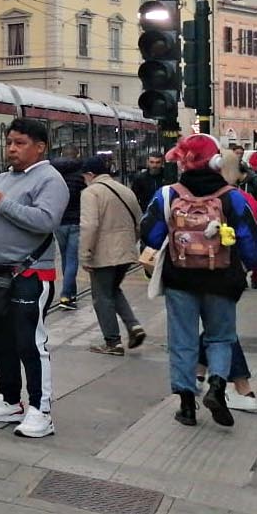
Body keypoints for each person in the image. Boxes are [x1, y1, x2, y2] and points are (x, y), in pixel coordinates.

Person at [139, 133, 257, 427]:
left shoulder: (168, 194)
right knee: (221, 336)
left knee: (183, 340)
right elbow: (249, 240)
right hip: (222, 279)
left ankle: (187, 404)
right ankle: (217, 384)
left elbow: (150, 235)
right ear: (217, 160)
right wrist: (251, 268)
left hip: (180, 279)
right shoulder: (233, 197)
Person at [0, 118, 68, 439]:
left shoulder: (51, 180)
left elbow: (44, 220)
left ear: (40, 147)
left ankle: (41, 410)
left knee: (29, 342)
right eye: (9, 142)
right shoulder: (1, 178)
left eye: (20, 142)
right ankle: (10, 400)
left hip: (30, 274)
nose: (12, 148)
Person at [77, 154, 146, 355]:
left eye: (84, 177)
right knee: (113, 290)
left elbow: (90, 225)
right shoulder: (125, 190)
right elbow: (139, 220)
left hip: (103, 254)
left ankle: (112, 341)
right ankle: (134, 326)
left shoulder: (91, 193)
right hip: (125, 251)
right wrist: (130, 244)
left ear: (90, 174)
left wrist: (85, 255)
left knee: (101, 297)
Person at [49, 147, 86, 311]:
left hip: (59, 222)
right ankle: (66, 294)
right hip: (75, 222)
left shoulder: (55, 176)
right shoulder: (80, 176)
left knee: (65, 257)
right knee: (72, 259)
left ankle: (72, 293)